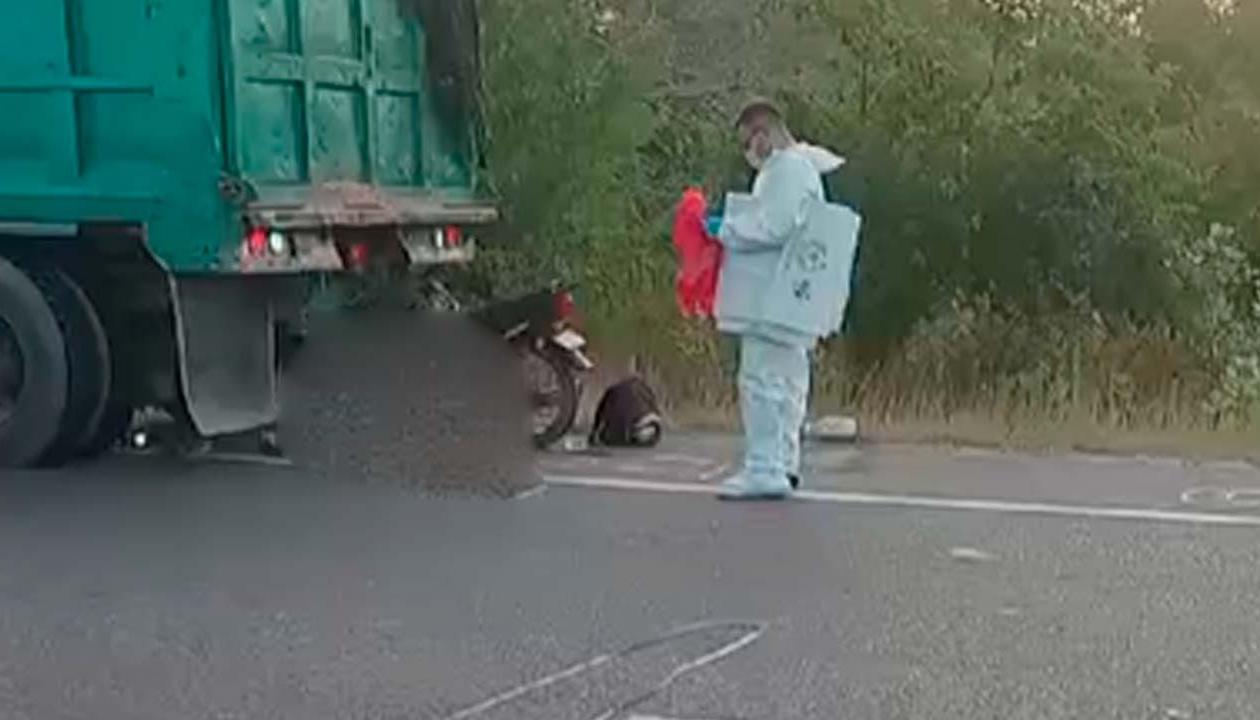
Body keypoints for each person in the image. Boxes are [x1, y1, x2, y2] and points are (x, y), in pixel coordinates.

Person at [709, 99, 859, 500]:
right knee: (787, 384)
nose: (748, 153)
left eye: (748, 141)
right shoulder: (800, 167)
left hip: (773, 298)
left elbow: (773, 225)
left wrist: (726, 229)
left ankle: (765, 467)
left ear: (763, 134)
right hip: (791, 299)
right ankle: (782, 462)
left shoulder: (787, 170)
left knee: (763, 382)